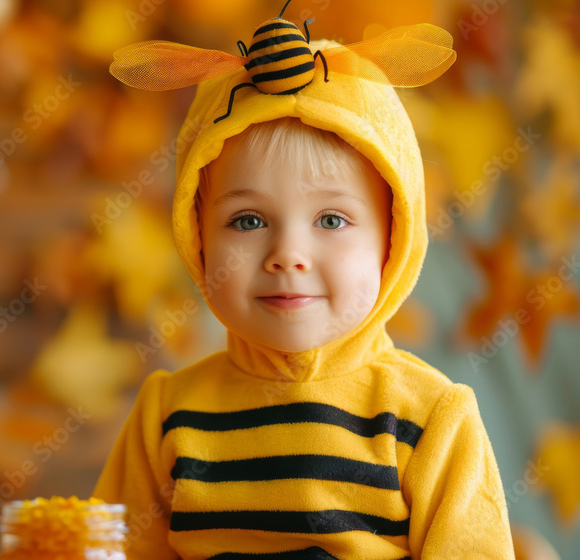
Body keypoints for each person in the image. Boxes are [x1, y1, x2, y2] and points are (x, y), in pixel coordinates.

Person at [91, 29, 516, 559]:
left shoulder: (430, 420)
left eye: (331, 219)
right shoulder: (166, 416)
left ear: (393, 238)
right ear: (196, 236)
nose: (287, 254)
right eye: (247, 220)